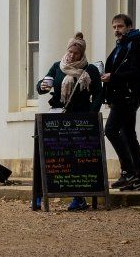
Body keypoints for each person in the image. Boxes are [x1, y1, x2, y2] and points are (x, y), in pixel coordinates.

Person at [35, 33, 105, 212]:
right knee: (55, 156)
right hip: (58, 117)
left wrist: (92, 115)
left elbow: (98, 93)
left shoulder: (90, 70)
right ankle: (40, 195)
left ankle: (79, 197)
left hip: (81, 118)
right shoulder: (58, 67)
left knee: (78, 159)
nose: (73, 55)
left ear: (82, 53)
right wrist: (42, 86)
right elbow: (43, 86)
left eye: (76, 53)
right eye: (71, 51)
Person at [102, 13, 140, 190]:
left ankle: (129, 171)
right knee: (128, 136)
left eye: (120, 26)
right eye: (114, 27)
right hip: (120, 96)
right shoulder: (122, 45)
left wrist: (113, 76)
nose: (117, 30)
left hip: (128, 97)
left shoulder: (136, 45)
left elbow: (137, 73)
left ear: (129, 27)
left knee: (110, 130)